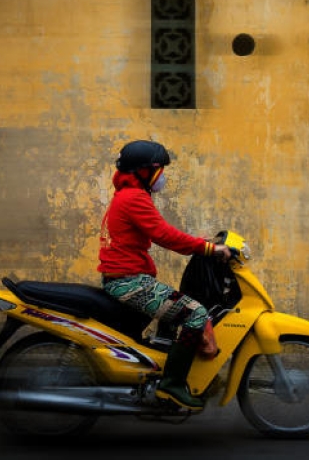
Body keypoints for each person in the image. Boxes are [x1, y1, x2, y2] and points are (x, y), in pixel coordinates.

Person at [97, 139, 230, 410]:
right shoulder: (134, 197)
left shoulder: (128, 194)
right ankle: (171, 386)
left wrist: (201, 243)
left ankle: (169, 371)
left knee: (175, 310)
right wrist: (209, 249)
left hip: (128, 277)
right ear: (144, 171)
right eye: (160, 170)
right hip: (129, 282)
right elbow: (164, 235)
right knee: (195, 314)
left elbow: (161, 231)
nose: (163, 177)